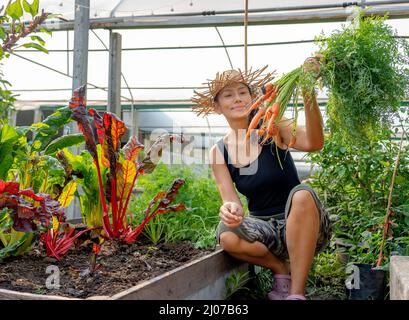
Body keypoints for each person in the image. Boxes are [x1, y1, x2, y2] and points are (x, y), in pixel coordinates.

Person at [191, 60, 332, 300]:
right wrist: (230, 211)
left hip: (304, 227)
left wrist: (308, 92)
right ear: (217, 107)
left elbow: (314, 144)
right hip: (265, 231)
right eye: (228, 95)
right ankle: (280, 270)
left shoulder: (272, 126)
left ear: (252, 97)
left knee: (302, 194)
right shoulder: (219, 152)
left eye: (243, 92)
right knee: (226, 233)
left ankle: (296, 294)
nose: (237, 99)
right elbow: (230, 200)